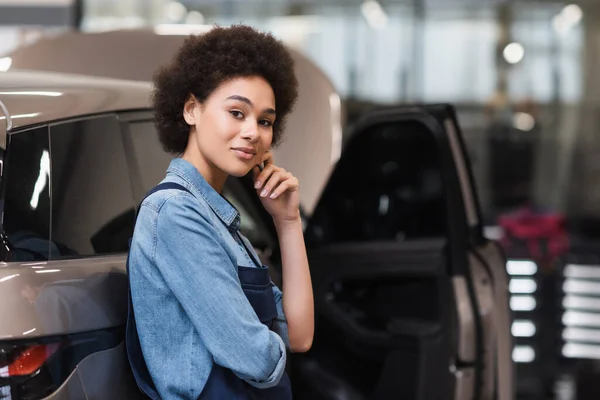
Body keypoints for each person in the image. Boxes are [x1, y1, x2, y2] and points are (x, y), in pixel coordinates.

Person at [126, 24, 314, 399]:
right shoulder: (175, 214)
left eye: (265, 121)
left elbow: (301, 335)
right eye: (236, 112)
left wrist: (287, 222)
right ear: (192, 109)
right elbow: (256, 360)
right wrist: (265, 340)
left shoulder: (220, 221)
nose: (253, 133)